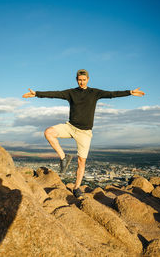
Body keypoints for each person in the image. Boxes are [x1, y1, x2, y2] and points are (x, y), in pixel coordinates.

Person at [22, 69, 145, 199]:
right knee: (48, 132)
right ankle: (64, 157)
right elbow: (55, 94)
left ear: (88, 79)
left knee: (81, 162)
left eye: (84, 80)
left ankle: (76, 188)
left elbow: (112, 94)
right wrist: (36, 94)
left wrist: (130, 92)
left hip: (85, 133)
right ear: (77, 80)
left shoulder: (94, 93)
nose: (81, 82)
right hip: (70, 127)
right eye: (79, 80)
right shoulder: (71, 93)